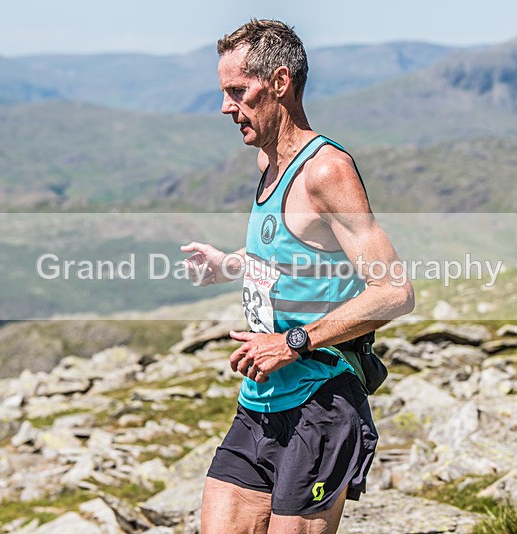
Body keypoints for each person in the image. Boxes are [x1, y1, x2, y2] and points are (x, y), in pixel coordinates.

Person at [180, 19, 414, 534]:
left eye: (237, 91)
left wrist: (293, 341)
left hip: (322, 402)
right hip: (262, 398)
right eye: (223, 92)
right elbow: (292, 250)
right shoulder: (268, 160)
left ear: (280, 83)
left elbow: (394, 291)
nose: (225, 107)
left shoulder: (325, 170)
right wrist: (227, 265)